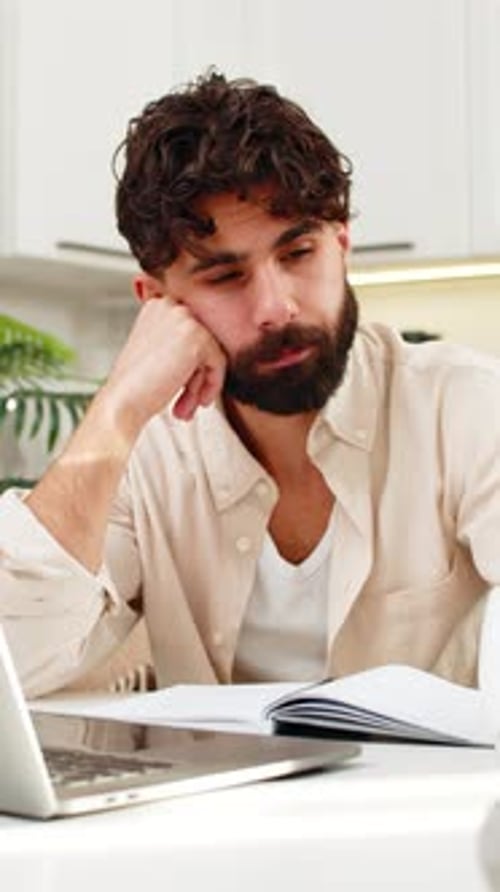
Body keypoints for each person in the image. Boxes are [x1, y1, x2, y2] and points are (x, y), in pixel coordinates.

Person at [0, 71, 499, 698]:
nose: (276, 307)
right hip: (215, 797)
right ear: (158, 301)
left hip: (442, 798)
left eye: (298, 254)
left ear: (341, 245)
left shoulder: (464, 407)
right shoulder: (149, 454)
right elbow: (13, 660)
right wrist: (117, 411)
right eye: (224, 276)